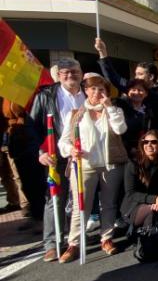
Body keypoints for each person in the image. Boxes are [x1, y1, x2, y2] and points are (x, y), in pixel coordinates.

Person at [57, 76, 128, 262]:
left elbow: (120, 129)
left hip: (110, 164)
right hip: (84, 166)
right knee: (81, 206)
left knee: (109, 204)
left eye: (101, 89)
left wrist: (109, 107)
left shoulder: (114, 110)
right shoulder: (75, 114)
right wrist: (70, 150)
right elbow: (63, 141)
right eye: (93, 89)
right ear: (86, 91)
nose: (97, 93)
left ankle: (107, 238)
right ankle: (74, 243)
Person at [31, 57, 85, 262]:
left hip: (82, 154)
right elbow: (32, 126)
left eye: (74, 71)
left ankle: (76, 237)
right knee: (55, 198)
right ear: (59, 75)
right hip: (55, 154)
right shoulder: (46, 95)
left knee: (81, 196)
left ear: (81, 73)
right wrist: (40, 152)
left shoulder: (88, 93)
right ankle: (53, 243)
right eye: (65, 72)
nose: (70, 75)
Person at [0, 98, 45, 226]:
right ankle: (36, 216)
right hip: (15, 140)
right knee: (26, 182)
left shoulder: (27, 94)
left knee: (36, 182)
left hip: (31, 140)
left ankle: (41, 217)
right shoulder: (5, 98)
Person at [121, 130, 158, 231]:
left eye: (154, 142)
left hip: (156, 203)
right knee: (151, 211)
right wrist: (155, 200)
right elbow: (131, 194)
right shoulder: (133, 164)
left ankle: (148, 240)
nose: (149, 145)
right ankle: (148, 239)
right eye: (145, 142)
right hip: (134, 207)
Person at [115, 79, 153, 158]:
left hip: (144, 150)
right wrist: (129, 148)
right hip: (125, 152)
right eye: (133, 90)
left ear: (146, 93)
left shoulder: (149, 110)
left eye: (140, 90)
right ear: (128, 92)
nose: (136, 93)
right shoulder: (121, 108)